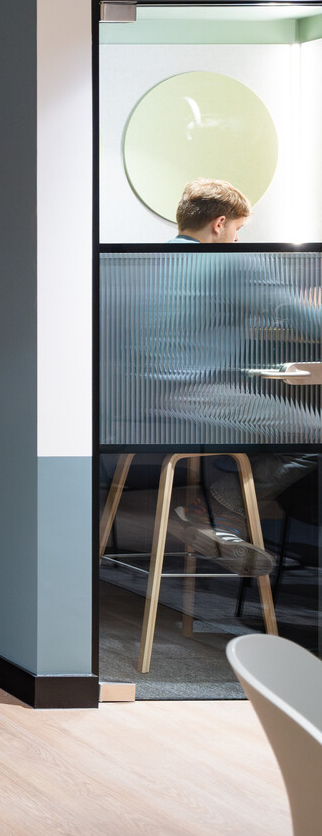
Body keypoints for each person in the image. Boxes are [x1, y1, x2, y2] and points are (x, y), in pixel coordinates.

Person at [145, 178, 320, 574]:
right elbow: (303, 321)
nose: (239, 239)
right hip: (190, 393)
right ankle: (213, 511)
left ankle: (221, 522)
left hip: (138, 400)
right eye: (238, 229)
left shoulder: (152, 259)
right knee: (313, 432)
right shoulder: (229, 261)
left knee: (275, 419)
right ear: (220, 223)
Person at [171, 177, 251, 243]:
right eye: (236, 229)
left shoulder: (166, 253)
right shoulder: (208, 257)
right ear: (219, 224)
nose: (236, 239)